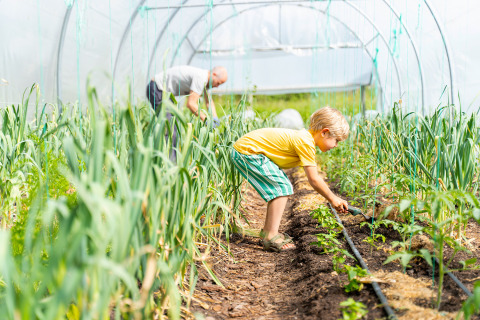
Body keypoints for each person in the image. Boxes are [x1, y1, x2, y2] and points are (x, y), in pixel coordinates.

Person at [231, 106, 349, 252]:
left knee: (282, 186)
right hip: (247, 152)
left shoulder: (305, 139)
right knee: (282, 187)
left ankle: (268, 232)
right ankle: (270, 236)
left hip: (247, 151)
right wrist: (333, 199)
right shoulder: (305, 141)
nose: (336, 145)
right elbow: (313, 179)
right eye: (336, 140)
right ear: (325, 132)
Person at [146, 65, 228, 125]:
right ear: (214, 75)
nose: (217, 86)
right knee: (169, 125)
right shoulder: (201, 77)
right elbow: (191, 104)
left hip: (163, 92)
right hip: (157, 88)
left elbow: (209, 101)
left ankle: (168, 147)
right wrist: (206, 120)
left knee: (174, 122)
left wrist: (215, 117)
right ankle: (166, 148)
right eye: (218, 83)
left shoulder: (205, 80)